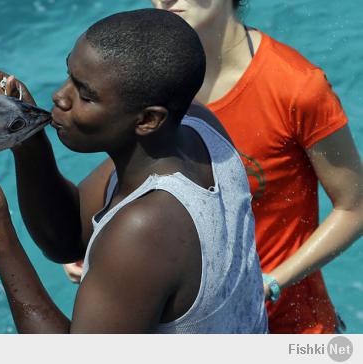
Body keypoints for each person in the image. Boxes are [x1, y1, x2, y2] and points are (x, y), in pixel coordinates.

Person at [0, 9, 268, 333]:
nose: (60, 96)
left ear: (149, 119)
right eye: (70, 76)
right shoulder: (196, 126)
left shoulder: (146, 228)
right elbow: (66, 240)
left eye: (85, 95)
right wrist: (26, 138)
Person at [63, 0, 363, 333]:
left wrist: (272, 282)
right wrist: (101, 251)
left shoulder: (296, 88)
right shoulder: (146, 87)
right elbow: (135, 185)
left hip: (294, 327)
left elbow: (355, 208)